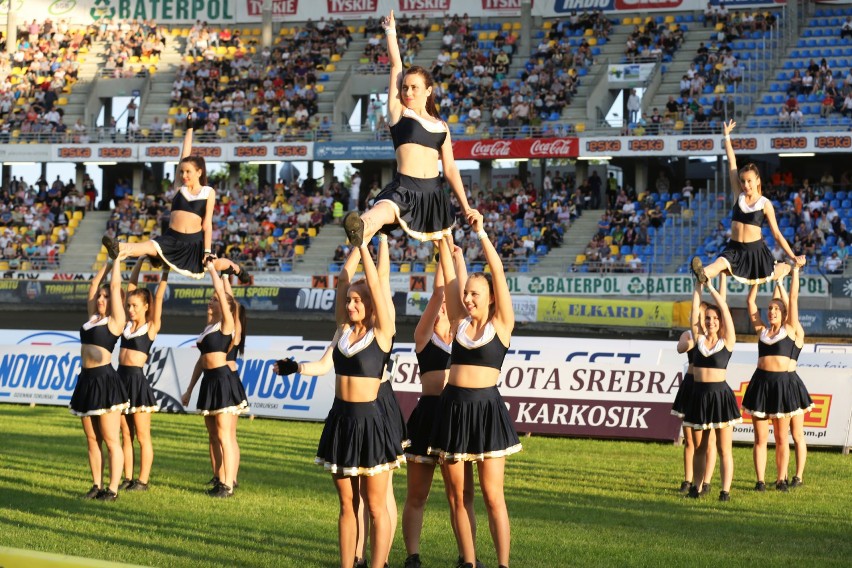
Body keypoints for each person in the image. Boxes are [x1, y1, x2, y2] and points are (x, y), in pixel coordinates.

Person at [276, 245, 401, 568]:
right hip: (341, 421)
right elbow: (321, 365)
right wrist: (297, 368)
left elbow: (377, 283)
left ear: (373, 303)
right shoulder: (342, 332)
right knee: (347, 504)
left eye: (358, 300)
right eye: (349, 300)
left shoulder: (382, 333)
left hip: (370, 423)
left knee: (375, 506)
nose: (351, 303)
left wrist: (364, 245)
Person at [431, 212, 522, 568]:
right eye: (466, 293)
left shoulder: (502, 323)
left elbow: (497, 274)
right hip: (452, 408)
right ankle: (468, 562)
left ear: (490, 298)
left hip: (486, 411)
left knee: (492, 496)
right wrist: (442, 239)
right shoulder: (458, 321)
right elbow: (452, 279)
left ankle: (502, 564)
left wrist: (482, 233)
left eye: (475, 294)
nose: (468, 298)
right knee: (457, 495)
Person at [342, 10, 477, 248]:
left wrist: (466, 208)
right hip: (405, 187)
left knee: (450, 253)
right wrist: (390, 31)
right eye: (405, 87)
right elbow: (396, 64)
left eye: (414, 88)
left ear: (428, 91)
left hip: (434, 194)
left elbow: (451, 169)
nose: (408, 92)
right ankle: (360, 227)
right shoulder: (399, 114)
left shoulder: (441, 126)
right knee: (381, 212)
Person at [102, 111, 250, 282]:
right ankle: (118, 247)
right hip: (171, 239)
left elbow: (207, 224)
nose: (184, 175)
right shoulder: (179, 187)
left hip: (192, 244)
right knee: (150, 246)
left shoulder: (208, 192)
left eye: (188, 172)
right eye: (181, 171)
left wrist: (207, 251)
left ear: (199, 172)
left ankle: (238, 270)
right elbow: (184, 154)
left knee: (214, 265)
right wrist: (189, 129)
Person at [403, 247, 477, 568]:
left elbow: (460, 292)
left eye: (451, 304)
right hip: (429, 414)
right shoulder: (423, 337)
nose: (446, 306)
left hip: (456, 417)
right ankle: (413, 557)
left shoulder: (463, 338)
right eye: (442, 305)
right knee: (417, 495)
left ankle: (467, 558)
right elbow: (438, 292)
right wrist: (440, 251)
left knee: (460, 497)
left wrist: (457, 258)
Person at [691, 120, 803, 285]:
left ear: (758, 180)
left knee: (773, 272)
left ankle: (787, 267)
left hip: (754, 252)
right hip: (735, 249)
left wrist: (793, 256)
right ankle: (703, 273)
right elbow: (732, 163)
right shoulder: (739, 195)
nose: (745, 185)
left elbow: (777, 235)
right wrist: (726, 136)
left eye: (749, 181)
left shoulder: (765, 204)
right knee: (720, 262)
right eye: (743, 181)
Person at [742, 260, 812, 492]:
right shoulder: (762, 331)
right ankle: (760, 480)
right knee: (760, 438)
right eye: (770, 308)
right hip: (760, 384)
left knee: (784, 438)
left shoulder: (791, 329)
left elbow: (792, 299)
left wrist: (794, 271)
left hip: (783, 384)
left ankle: (782, 479)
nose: (771, 311)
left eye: (776, 309)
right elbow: (750, 302)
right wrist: (760, 279)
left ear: (784, 314)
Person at [181, 262, 249, 498]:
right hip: (209, 381)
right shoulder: (209, 328)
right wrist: (190, 388)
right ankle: (221, 479)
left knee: (225, 435)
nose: (212, 301)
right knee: (214, 434)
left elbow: (224, 293)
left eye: (215, 300)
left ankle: (228, 484)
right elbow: (201, 361)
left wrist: (214, 272)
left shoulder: (227, 325)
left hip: (222, 380)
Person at [69, 256, 128, 501]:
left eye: (106, 298)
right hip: (86, 380)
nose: (101, 300)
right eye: (100, 298)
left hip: (105, 381)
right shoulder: (92, 319)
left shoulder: (116, 322)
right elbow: (94, 286)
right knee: (92, 438)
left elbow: (114, 287)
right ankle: (96, 485)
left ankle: (112, 489)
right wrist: (107, 260)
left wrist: (117, 263)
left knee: (111, 439)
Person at [683, 279, 741, 502]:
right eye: (708, 318)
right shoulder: (697, 339)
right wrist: (698, 286)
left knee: (724, 448)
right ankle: (696, 487)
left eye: (715, 319)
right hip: (698, 396)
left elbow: (724, 309)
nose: (711, 321)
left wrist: (712, 289)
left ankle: (724, 491)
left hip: (720, 397)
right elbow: (694, 312)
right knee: (699, 447)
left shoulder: (728, 341)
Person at [117, 257, 169, 492]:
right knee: (124, 433)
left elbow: (158, 297)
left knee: (141, 435)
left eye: (135, 306)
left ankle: (143, 480)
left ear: (145, 306)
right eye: (128, 306)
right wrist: (139, 261)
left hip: (137, 381)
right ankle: (127, 477)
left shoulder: (151, 326)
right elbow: (131, 287)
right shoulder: (127, 325)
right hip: (119, 379)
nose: (130, 309)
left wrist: (166, 271)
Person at [671, 274, 725, 496]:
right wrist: (689, 341)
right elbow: (680, 348)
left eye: (708, 316)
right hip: (691, 386)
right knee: (690, 439)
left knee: (709, 439)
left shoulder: (715, 336)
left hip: (708, 387)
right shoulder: (692, 335)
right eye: (703, 316)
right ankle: (688, 479)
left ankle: (706, 481)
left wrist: (723, 277)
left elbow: (723, 306)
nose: (707, 320)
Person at [775, 265, 814, 487]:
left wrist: (793, 275)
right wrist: (779, 283)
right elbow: (788, 304)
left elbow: (792, 300)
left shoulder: (797, 331)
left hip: (793, 385)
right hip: (786, 383)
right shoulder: (787, 331)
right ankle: (784, 475)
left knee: (797, 434)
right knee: (784, 437)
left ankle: (798, 475)